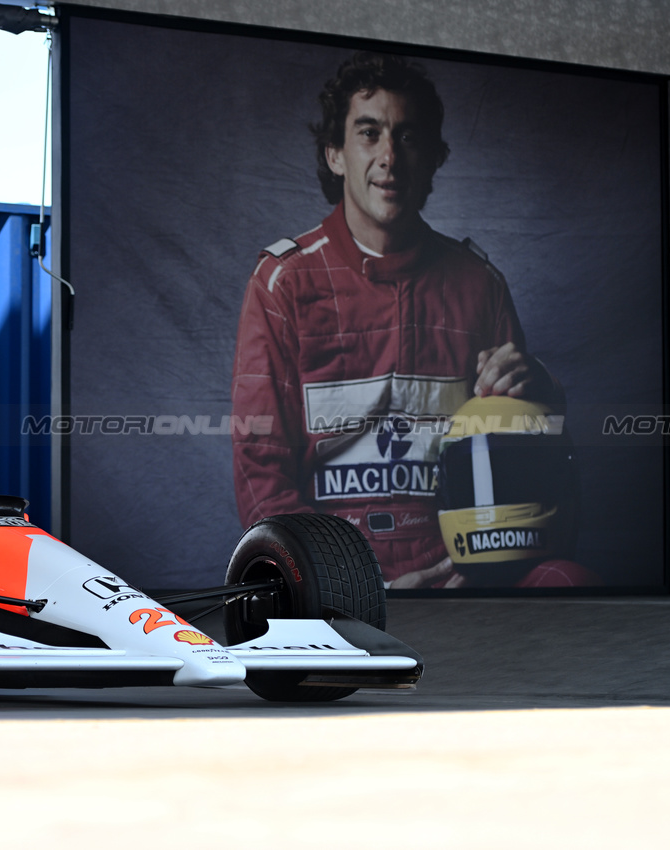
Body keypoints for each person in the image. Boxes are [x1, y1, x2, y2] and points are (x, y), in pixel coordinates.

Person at [231, 51, 585, 589]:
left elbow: (531, 470)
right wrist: (359, 587)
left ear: (434, 157)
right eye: (369, 134)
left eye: (408, 137)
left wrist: (542, 394)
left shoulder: (478, 284)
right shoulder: (283, 283)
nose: (390, 157)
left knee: (569, 583)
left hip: (465, 573)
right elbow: (262, 479)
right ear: (335, 155)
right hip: (336, 583)